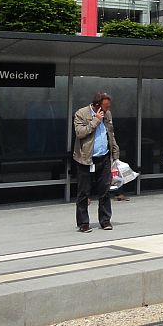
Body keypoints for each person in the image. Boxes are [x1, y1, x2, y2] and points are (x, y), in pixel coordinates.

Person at [72, 92, 120, 232]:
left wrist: (115, 153)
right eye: (105, 107)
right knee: (84, 192)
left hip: (104, 157)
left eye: (108, 107)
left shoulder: (108, 115)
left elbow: (111, 134)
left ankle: (105, 220)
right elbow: (80, 133)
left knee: (105, 190)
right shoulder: (81, 113)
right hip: (86, 158)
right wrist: (95, 121)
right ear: (97, 105)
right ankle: (83, 223)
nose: (107, 110)